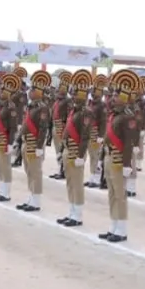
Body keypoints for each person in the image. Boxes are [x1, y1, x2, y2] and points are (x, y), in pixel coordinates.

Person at [99, 70, 143, 243]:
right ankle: (113, 225)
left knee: (120, 194)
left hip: (118, 159)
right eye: (113, 94)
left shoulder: (128, 117)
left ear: (124, 97)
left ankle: (122, 229)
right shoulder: (113, 114)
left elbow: (128, 143)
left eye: (116, 95)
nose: (112, 98)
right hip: (109, 157)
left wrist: (126, 165)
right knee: (111, 193)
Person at [59, 70, 96, 228]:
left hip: (76, 151)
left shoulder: (86, 112)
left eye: (76, 94)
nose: (73, 96)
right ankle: (71, 211)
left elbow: (85, 136)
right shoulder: (74, 110)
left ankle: (78, 215)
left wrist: (81, 156)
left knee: (77, 183)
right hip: (68, 149)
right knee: (69, 182)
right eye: (72, 93)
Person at [18, 71, 55, 213]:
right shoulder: (31, 105)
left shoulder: (43, 107)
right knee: (29, 171)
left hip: (34, 143)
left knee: (35, 172)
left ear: (39, 92)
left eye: (32, 90)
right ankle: (31, 196)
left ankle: (36, 200)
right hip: (27, 142)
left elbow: (43, 128)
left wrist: (40, 146)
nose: (29, 92)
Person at [0, 75, 21, 203]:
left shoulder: (11, 107)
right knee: (0, 166)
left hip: (4, 139)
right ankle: (1, 190)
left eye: (3, 91)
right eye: (0, 90)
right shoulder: (1, 105)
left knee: (5, 166)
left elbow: (13, 127)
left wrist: (10, 143)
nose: (0, 93)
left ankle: (6, 193)